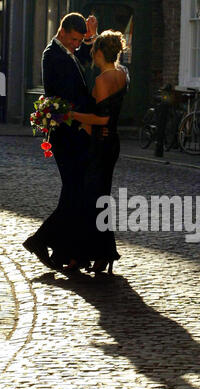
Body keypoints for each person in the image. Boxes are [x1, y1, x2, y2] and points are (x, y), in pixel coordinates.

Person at [23, 13, 99, 269]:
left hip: (72, 131)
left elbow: (84, 62)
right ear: (63, 31)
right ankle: (41, 240)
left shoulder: (67, 51)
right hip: (66, 133)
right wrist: (89, 116)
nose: (77, 44)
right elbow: (66, 96)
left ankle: (62, 252)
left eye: (80, 41)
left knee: (75, 192)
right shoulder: (52, 55)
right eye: (75, 39)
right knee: (73, 191)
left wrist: (90, 41)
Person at [68, 30, 129, 273]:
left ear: (100, 53)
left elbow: (101, 119)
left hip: (100, 144)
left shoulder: (102, 80)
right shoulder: (122, 74)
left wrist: (71, 115)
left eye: (94, 50)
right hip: (112, 143)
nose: (92, 54)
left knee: (90, 199)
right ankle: (103, 254)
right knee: (100, 199)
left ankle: (95, 253)